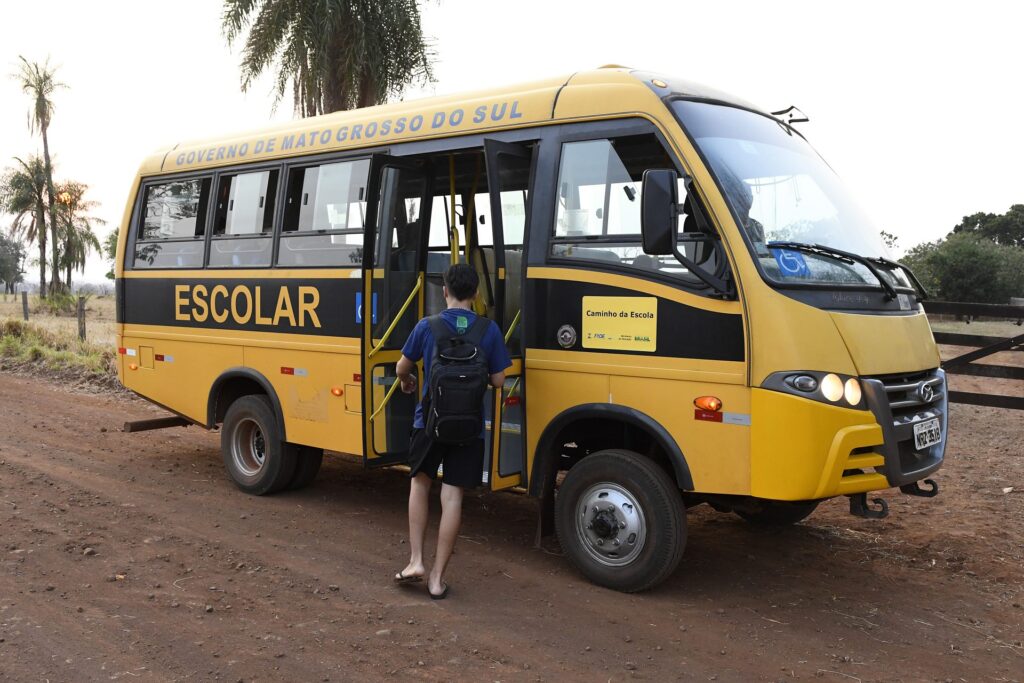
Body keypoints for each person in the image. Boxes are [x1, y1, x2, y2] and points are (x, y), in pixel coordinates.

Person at [393, 263, 511, 599]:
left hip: (428, 422)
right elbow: (499, 380)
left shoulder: (427, 326)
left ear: (444, 291)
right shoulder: (488, 330)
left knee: (420, 482)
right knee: (452, 496)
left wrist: (407, 380)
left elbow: (402, 365)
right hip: (469, 427)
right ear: (476, 294)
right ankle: (437, 579)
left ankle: (416, 561)